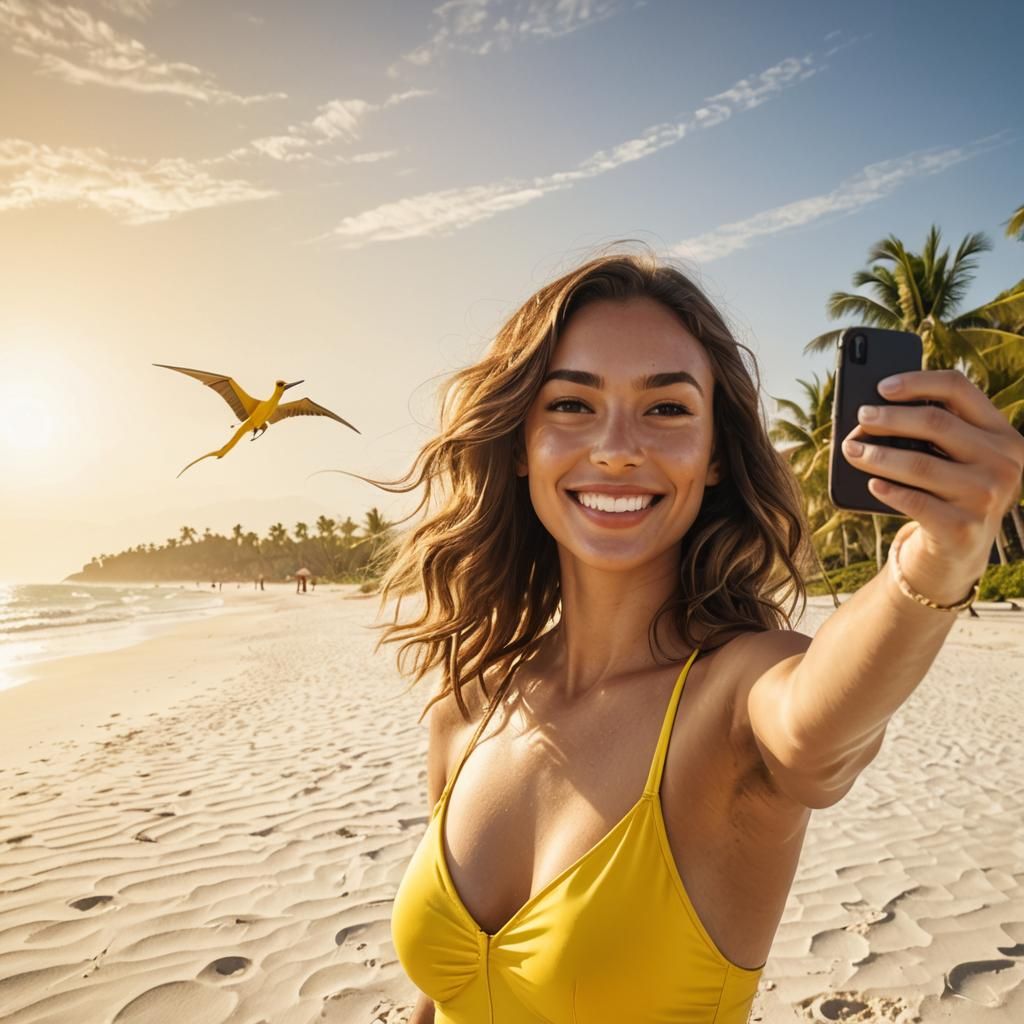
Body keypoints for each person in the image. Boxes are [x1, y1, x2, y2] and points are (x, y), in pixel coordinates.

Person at [369, 246, 1021, 1024]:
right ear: (520, 444)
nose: (616, 446)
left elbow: (820, 727)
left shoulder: (739, 697)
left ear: (715, 456)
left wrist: (936, 563)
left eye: (667, 408)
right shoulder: (469, 706)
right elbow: (440, 998)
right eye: (572, 405)